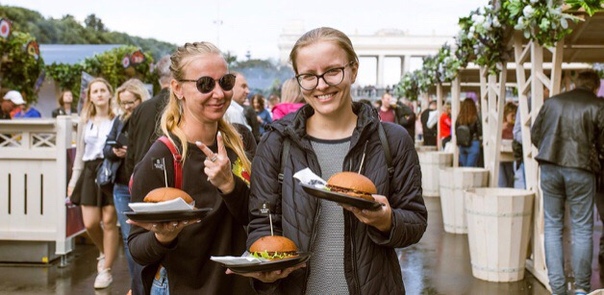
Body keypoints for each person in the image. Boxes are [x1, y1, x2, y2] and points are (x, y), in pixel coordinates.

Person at [237, 27, 427, 294]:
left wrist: (386, 221)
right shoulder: (276, 142)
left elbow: (415, 220)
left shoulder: (392, 140)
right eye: (309, 76)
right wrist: (264, 271)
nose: (322, 84)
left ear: (353, 70)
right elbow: (262, 222)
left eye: (332, 71)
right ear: (298, 79)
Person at [127, 41, 256, 294]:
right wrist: (162, 237)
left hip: (235, 286)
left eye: (226, 82)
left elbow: (256, 216)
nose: (219, 94)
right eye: (205, 84)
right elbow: (136, 248)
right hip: (182, 286)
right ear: (177, 88)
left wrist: (230, 186)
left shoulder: (242, 141)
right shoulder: (162, 157)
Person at [531, 70, 604, 295]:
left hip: (550, 166)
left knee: (553, 225)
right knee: (582, 228)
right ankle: (582, 288)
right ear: (595, 87)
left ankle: (558, 289)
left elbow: (535, 135)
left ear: (574, 84)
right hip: (581, 169)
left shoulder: (552, 102)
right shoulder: (598, 105)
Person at [66, 77, 119, 290]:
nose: (98, 94)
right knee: (89, 223)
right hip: (89, 171)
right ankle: (104, 251)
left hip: (110, 170)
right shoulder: (84, 121)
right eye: (94, 91)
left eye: (102, 90)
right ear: (90, 96)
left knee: (108, 221)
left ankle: (105, 270)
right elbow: (79, 154)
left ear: (108, 93)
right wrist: (73, 180)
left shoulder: (117, 119)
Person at [102, 78, 150, 291]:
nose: (127, 106)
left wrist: (130, 151)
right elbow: (105, 148)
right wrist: (114, 151)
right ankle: (135, 284)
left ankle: (146, 283)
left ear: (141, 99)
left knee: (146, 236)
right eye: (123, 102)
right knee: (128, 237)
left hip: (142, 184)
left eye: (131, 101)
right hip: (121, 185)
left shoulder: (148, 118)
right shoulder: (119, 120)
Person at [125, 55, 171, 177]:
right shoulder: (184, 106)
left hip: (140, 176)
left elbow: (131, 152)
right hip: (170, 180)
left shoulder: (140, 109)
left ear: (159, 80)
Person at [455, 98, 482, 167]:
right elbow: (480, 131)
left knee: (465, 168)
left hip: (462, 145)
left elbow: (456, 131)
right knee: (471, 168)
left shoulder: (459, 118)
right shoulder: (475, 117)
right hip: (474, 143)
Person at [499, 102, 517, 187]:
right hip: (501, 156)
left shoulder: (516, 127)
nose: (514, 117)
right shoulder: (502, 126)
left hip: (511, 156)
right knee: (503, 182)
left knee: (510, 179)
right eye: (512, 115)